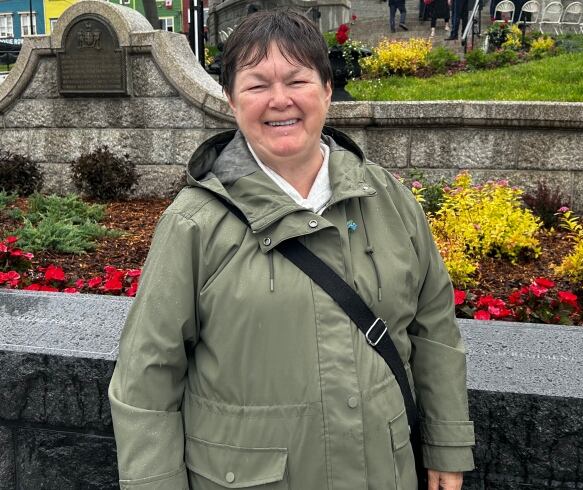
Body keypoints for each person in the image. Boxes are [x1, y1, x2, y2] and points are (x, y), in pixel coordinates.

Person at [109, 9, 475, 490]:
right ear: (231, 98)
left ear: (326, 89)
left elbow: (434, 331)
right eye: (257, 84)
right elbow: (146, 378)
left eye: (297, 80)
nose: (279, 100)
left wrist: (448, 444)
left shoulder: (387, 198)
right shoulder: (193, 223)